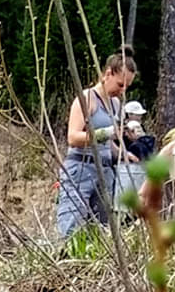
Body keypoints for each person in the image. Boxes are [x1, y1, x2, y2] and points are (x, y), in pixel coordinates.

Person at [56, 53, 141, 238]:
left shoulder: (116, 104)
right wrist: (106, 133)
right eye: (120, 84)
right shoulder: (86, 98)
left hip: (105, 171)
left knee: (102, 229)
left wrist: (123, 153)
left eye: (127, 86)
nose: (123, 90)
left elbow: (108, 143)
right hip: (80, 167)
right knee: (71, 226)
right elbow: (73, 137)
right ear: (107, 74)